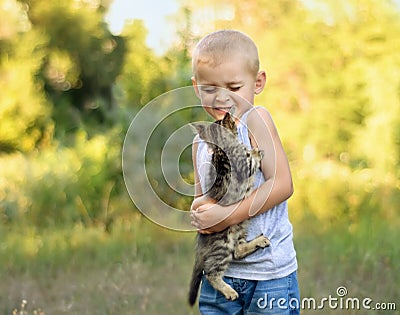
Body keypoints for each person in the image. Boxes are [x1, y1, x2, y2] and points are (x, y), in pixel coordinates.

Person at [190, 30, 300, 314]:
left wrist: (225, 215)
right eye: (210, 89)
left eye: (234, 87)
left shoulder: (256, 120)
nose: (221, 98)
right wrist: (199, 211)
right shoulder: (200, 141)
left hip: (269, 275)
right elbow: (203, 198)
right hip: (220, 274)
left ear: (258, 82)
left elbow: (282, 184)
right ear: (195, 87)